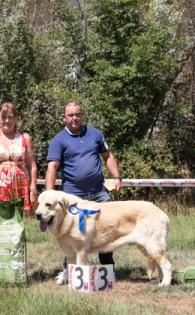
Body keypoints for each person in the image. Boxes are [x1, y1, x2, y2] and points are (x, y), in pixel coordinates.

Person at [45, 101, 122, 285]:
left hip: (98, 192)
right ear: (64, 117)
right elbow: (52, 167)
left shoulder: (95, 134)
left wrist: (117, 176)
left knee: (107, 230)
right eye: (70, 115)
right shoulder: (58, 140)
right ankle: (69, 270)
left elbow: (108, 156)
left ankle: (108, 269)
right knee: (70, 234)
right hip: (73, 196)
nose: (74, 118)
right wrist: (49, 193)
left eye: (77, 114)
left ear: (81, 115)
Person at [0, 102, 38, 208]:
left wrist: (32, 190)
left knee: (17, 223)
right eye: (3, 117)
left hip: (19, 189)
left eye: (10, 117)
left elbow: (32, 166)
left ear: (16, 118)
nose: (7, 121)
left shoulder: (25, 138)